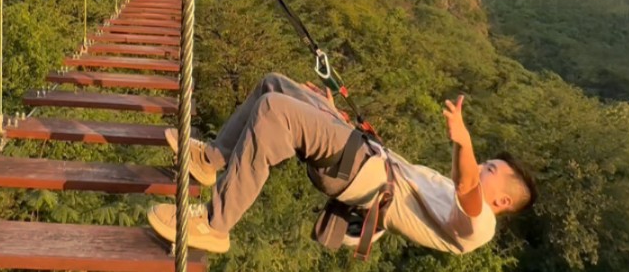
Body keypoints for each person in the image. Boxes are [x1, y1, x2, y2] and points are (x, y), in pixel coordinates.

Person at [147, 73, 537, 255]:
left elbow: (467, 186)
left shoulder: (480, 226)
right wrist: (333, 116)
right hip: (362, 155)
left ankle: (215, 225)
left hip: (361, 175)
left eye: (490, 170)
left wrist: (462, 141)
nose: (479, 167)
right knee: (274, 85)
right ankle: (211, 159)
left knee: (275, 112)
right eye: (484, 163)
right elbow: (453, 180)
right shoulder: (449, 188)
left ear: (502, 202)